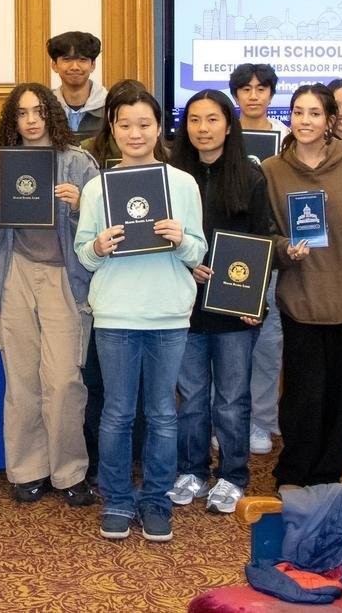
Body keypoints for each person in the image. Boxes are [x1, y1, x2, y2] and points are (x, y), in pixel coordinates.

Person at [74, 86, 206, 543]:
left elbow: (199, 250)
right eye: (125, 125)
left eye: (145, 124)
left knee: (163, 415)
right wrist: (97, 246)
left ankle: (156, 501)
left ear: (158, 128)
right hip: (115, 316)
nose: (135, 133)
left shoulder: (183, 183)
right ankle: (116, 499)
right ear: (113, 129)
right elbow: (83, 256)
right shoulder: (97, 188)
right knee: (116, 414)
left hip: (168, 314)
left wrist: (180, 239)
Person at [0, 82, 99, 507]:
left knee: (64, 379)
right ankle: (28, 470)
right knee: (23, 379)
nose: (31, 121)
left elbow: (102, 237)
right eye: (22, 114)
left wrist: (83, 206)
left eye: (38, 112)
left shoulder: (79, 164)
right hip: (15, 277)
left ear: (52, 115)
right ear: (13, 121)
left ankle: (70, 472)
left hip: (65, 279)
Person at [168, 90, 273, 516]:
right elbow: (160, 236)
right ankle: (192, 470)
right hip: (185, 306)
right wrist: (187, 261)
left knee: (232, 398)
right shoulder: (173, 177)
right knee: (190, 398)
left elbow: (262, 239)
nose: (203, 129)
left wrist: (256, 299)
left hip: (233, 309)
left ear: (228, 125)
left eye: (212, 119)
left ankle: (232, 476)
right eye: (194, 120)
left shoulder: (250, 176)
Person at [262, 83, 342, 491]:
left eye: (314, 114)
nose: (304, 121)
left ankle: (327, 476)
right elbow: (265, 234)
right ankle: (292, 472)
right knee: (303, 395)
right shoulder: (272, 170)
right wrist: (286, 248)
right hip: (301, 297)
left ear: (329, 121)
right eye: (298, 112)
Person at [229, 63, 288, 457]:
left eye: (261, 88)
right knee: (228, 345)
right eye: (245, 89)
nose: (253, 95)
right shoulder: (221, 132)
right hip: (228, 250)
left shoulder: (287, 138)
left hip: (269, 251)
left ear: (271, 93)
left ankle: (262, 421)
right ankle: (228, 421)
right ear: (235, 95)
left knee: (268, 343)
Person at [48, 31, 107, 139]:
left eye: (82, 60)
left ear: (93, 65)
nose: (75, 66)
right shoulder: (45, 108)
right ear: (54, 65)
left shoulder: (110, 107)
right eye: (67, 59)